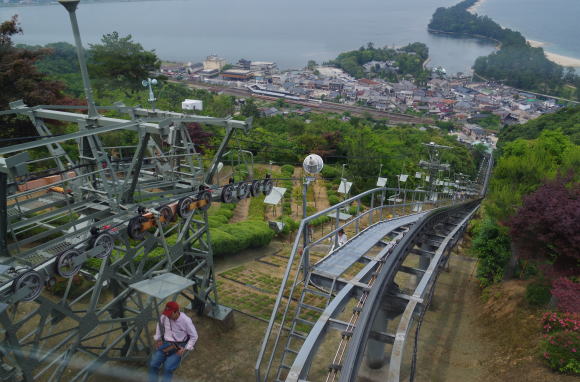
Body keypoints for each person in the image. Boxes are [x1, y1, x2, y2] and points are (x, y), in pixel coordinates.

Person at [149, 301, 198, 382]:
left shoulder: (186, 320)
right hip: (166, 343)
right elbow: (159, 326)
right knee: (153, 364)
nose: (168, 315)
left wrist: (185, 348)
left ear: (176, 312)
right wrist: (158, 339)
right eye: (167, 313)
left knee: (167, 367)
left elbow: (194, 336)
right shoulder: (164, 316)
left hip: (180, 345)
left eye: (170, 314)